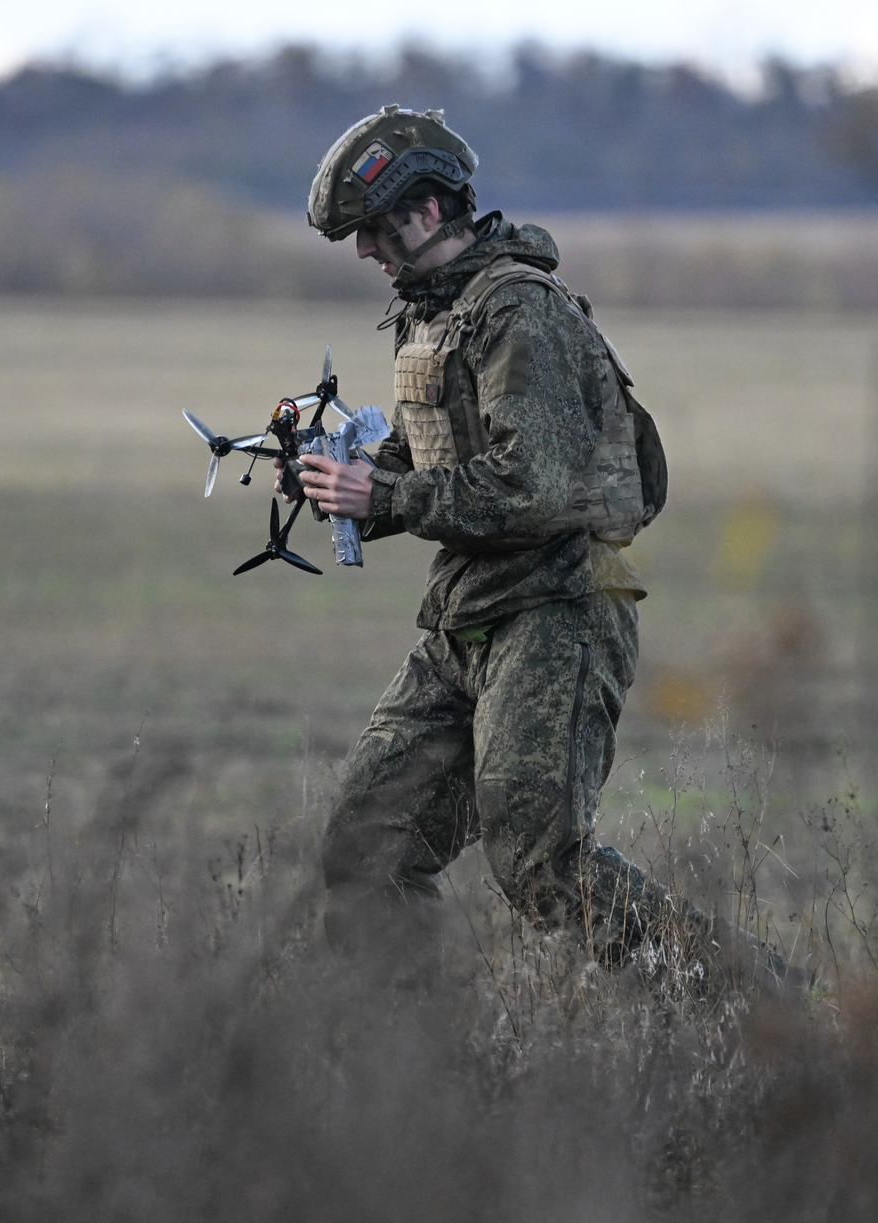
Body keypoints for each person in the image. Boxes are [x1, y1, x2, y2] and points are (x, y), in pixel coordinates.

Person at [294, 105, 794, 997]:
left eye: (373, 230)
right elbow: (430, 458)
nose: (367, 252)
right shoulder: (431, 316)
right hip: (468, 617)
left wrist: (390, 495)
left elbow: (537, 487)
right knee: (364, 847)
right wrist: (341, 482)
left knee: (543, 865)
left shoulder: (520, 314)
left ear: (426, 211)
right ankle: (415, 1084)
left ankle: (770, 1012)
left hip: (556, 609)